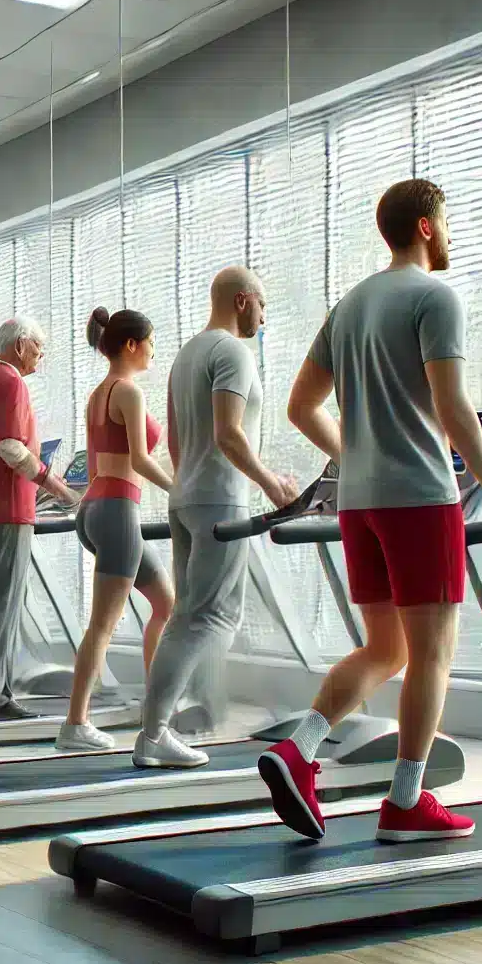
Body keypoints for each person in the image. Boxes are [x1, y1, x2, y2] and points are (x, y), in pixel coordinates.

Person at [262, 178, 482, 842]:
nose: (451, 231)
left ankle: (300, 747)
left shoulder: (350, 305)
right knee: (433, 653)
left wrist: (354, 456)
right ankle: (407, 802)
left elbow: (300, 407)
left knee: (387, 648)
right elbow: (453, 407)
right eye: (448, 219)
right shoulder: (435, 297)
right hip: (419, 498)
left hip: (361, 504)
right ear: (429, 228)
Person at [133, 266, 299, 769]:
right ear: (244, 301)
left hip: (186, 497)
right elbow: (229, 433)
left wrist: (188, 487)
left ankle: (170, 721)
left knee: (189, 615)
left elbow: (178, 442)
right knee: (210, 617)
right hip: (221, 498)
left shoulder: (186, 354)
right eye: (264, 306)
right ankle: (157, 730)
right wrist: (272, 484)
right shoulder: (232, 352)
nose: (264, 319)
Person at [0, 318, 81, 720]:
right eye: (39, 345)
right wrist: (59, 488)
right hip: (6, 513)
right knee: (2, 607)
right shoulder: (10, 382)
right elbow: (10, 447)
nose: (42, 353)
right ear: (21, 345)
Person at [62, 307, 176, 751]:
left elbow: (99, 463)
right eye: (150, 341)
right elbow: (142, 462)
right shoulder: (128, 391)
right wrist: (179, 490)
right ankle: (76, 723)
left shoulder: (97, 394)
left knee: (166, 603)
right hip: (115, 510)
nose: (153, 349)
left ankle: (156, 706)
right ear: (131, 344)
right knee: (103, 625)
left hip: (96, 506)